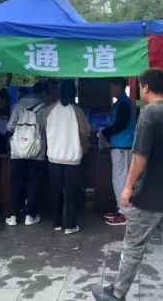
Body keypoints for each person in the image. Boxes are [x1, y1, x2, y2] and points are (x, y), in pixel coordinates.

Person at [92, 68, 163, 301]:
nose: (140, 90)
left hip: (150, 195)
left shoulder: (149, 113)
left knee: (133, 245)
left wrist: (128, 187)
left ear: (146, 87)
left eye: (140, 86)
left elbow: (139, 156)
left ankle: (117, 293)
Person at [46, 80, 90, 235]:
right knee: (71, 193)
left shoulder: (49, 110)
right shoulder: (77, 112)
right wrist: (83, 148)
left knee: (56, 192)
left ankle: (57, 223)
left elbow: (43, 130)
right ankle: (70, 225)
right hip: (72, 158)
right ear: (74, 93)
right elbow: (86, 132)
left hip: (53, 158)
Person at [6, 82, 47, 227]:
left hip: (18, 153)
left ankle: (13, 215)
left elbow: (10, 127)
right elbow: (45, 129)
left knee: (17, 183)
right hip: (37, 153)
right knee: (33, 184)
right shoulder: (44, 107)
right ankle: (30, 215)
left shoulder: (17, 105)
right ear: (43, 93)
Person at [102, 78, 135, 226]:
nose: (109, 90)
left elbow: (120, 125)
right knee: (120, 180)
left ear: (118, 86)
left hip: (122, 147)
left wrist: (106, 132)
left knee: (120, 181)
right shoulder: (122, 103)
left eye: (111, 86)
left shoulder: (123, 104)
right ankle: (122, 209)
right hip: (122, 146)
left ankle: (124, 213)